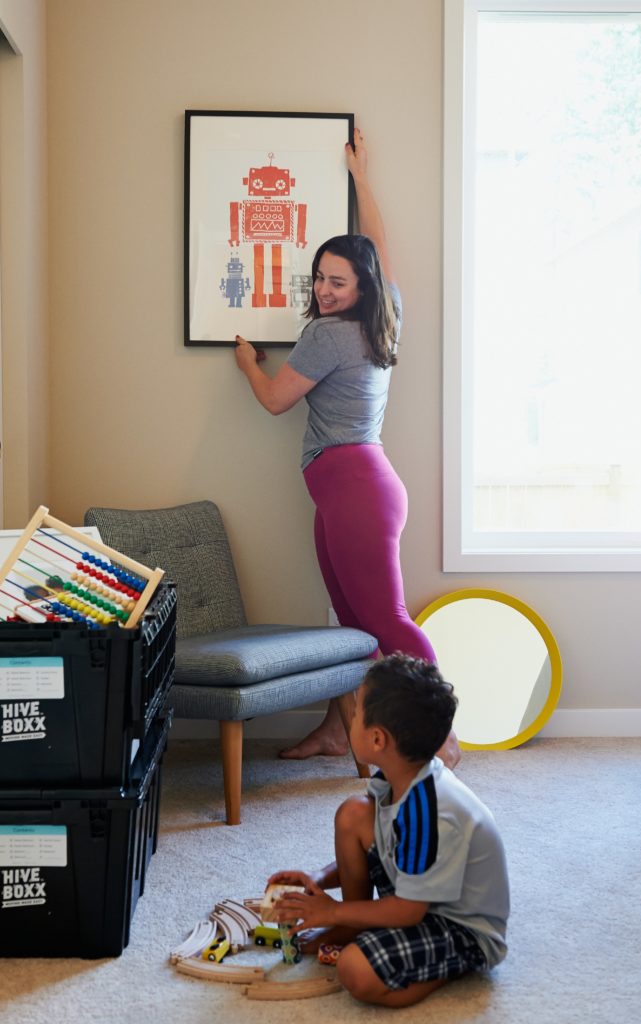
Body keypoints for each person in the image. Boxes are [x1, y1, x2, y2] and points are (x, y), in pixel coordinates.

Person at [234, 127, 459, 767]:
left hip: (355, 489)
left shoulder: (329, 336)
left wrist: (249, 363)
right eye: (320, 279)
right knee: (351, 626)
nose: (326, 291)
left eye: (338, 281)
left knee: (385, 621)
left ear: (358, 286)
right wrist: (361, 177)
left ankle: (442, 735)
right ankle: (341, 730)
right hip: (353, 490)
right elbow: (381, 248)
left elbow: (277, 399)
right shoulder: (385, 305)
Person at [267, 654, 509, 1009]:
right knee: (353, 813)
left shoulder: (428, 812)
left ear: (377, 739)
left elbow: (408, 912)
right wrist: (319, 878)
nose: (351, 717)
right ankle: (357, 921)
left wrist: (331, 913)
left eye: (356, 713)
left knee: (356, 970)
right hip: (421, 894)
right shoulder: (398, 776)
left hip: (460, 927)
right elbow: (381, 841)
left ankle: (449, 968)